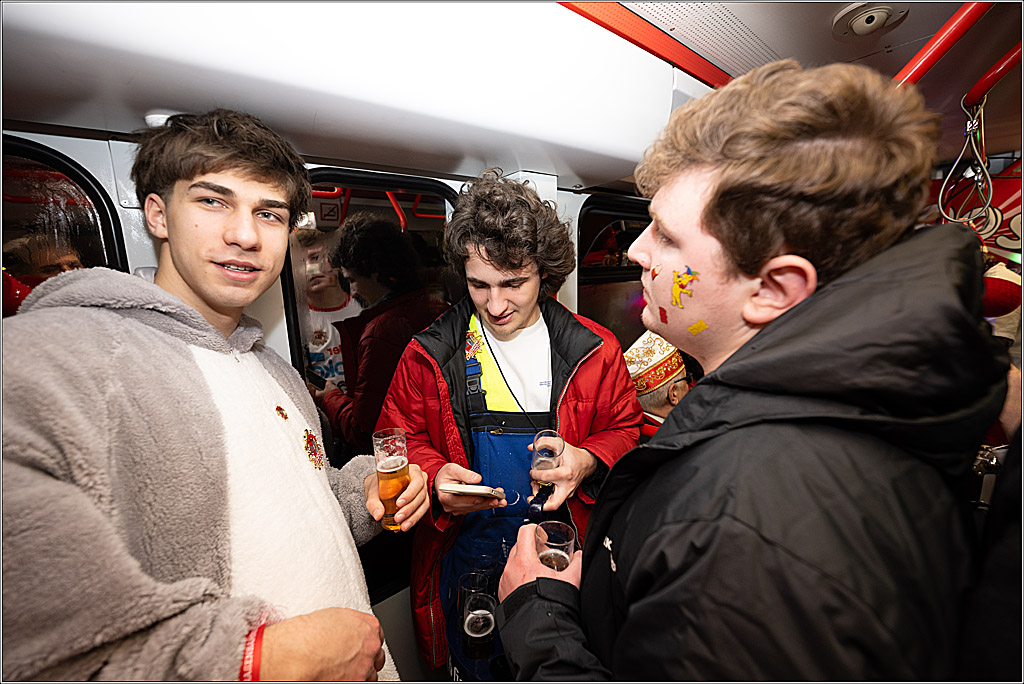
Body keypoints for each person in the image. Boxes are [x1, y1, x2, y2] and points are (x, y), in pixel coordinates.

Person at [495, 60, 1009, 680]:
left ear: (771, 290)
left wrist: (540, 620)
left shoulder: (743, 533)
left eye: (665, 235)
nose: (634, 249)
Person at [2, 109, 430, 681]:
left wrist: (364, 487)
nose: (245, 235)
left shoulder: (273, 370)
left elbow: (295, 501)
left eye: (268, 213)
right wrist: (260, 661)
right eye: (212, 201)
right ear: (158, 213)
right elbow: (37, 648)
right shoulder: (52, 359)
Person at [376, 169, 642, 675]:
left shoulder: (595, 350)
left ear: (545, 273)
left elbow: (625, 430)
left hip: (560, 557)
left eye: (514, 283)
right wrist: (434, 478)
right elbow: (398, 439)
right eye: (479, 284)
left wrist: (586, 459)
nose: (496, 304)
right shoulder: (429, 354)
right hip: (464, 556)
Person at [313, 212, 449, 459]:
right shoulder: (441, 309)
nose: (352, 292)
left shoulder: (380, 333)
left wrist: (329, 396)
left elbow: (366, 433)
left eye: (353, 280)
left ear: (374, 271)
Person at [291, 224, 362, 391]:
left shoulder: (363, 308)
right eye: (301, 262)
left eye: (315, 258)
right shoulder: (294, 323)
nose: (310, 269)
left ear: (334, 262)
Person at [622, 330, 702, 442]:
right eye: (687, 379)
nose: (690, 385)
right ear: (673, 394)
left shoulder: (624, 434)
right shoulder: (675, 443)